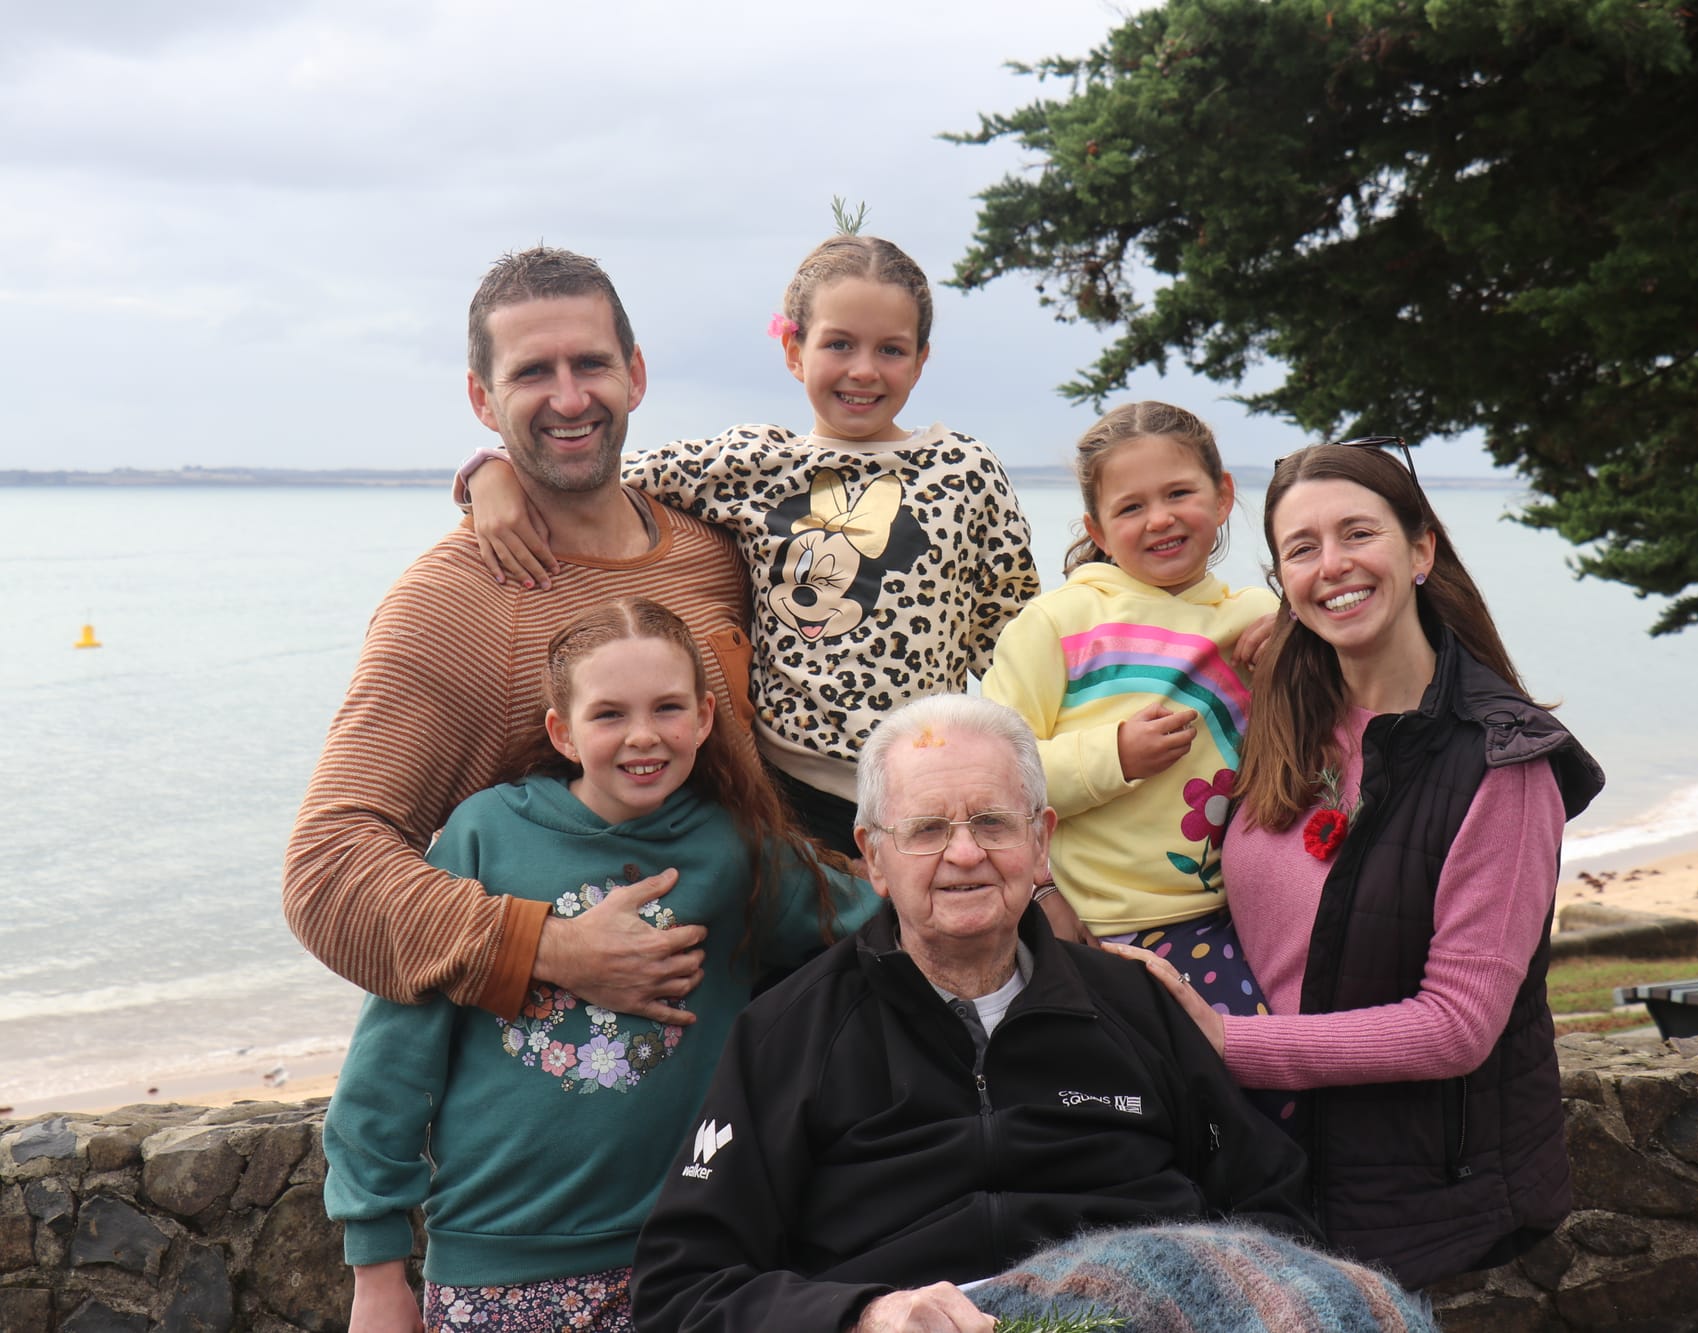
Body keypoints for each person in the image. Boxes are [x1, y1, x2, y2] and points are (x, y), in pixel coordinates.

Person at [627, 695, 1330, 1333]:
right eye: (927, 828)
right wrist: (860, 1315)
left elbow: (1275, 1209)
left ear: (1040, 841)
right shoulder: (786, 1032)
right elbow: (681, 1288)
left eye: (992, 821)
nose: (964, 854)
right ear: (874, 855)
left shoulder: (1134, 1003)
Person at [1122, 440, 1604, 1290]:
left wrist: (1228, 1043)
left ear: (1420, 549)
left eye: (1358, 534)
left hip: (1405, 1191)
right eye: (1301, 549)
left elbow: (1457, 1023)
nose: (1332, 565)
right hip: (1269, 1163)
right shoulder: (1285, 714)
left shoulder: (1503, 762)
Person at [324, 598, 877, 1333]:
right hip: (496, 1261)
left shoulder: (733, 849)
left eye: (668, 707)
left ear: (707, 718)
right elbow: (391, 1059)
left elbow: (880, 916)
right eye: (609, 713)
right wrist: (376, 1271)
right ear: (563, 730)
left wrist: (1025, 883)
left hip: (687, 1258)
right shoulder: (485, 834)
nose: (642, 736)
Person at [285, 246, 752, 1027]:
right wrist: (552, 948)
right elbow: (329, 868)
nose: (569, 399)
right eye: (533, 372)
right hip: (560, 1103)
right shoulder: (453, 601)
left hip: (752, 1055)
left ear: (635, 374)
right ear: (482, 397)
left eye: (591, 364)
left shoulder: (716, 550)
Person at [457, 233, 1040, 853]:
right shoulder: (754, 463)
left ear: (922, 359)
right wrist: (488, 472)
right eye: (839, 344)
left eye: (890, 350)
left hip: (927, 783)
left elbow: (1015, 645)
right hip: (787, 795)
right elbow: (594, 469)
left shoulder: (966, 472)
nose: (864, 369)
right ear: (794, 349)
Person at [982, 401, 1280, 1022]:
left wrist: (1298, 626)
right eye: (1131, 507)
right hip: (1084, 925)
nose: (1161, 519)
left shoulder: (1257, 617)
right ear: (1097, 529)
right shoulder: (1057, 624)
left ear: (1223, 496)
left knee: (1236, 1088)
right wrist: (1112, 755)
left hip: (1228, 919)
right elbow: (992, 772)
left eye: (1179, 492)